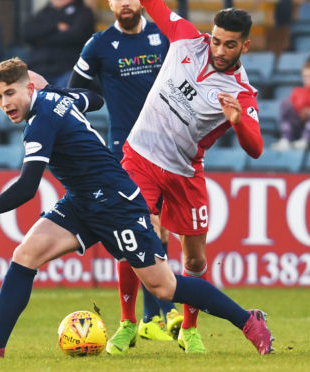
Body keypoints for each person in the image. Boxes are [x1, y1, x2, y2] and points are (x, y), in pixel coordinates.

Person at [0, 57, 273, 359]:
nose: (5, 104)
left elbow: (27, 188)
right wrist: (54, 91)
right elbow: (95, 100)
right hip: (82, 199)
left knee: (163, 286)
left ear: (29, 87)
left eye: (10, 93)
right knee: (25, 255)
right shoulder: (58, 99)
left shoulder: (40, 120)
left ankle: (249, 321)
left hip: (117, 203)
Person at [109, 0, 265, 354]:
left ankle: (189, 329)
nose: (220, 49)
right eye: (216, 40)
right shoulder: (184, 38)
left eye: (230, 44)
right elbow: (153, 5)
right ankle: (128, 323)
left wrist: (239, 122)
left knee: (194, 260)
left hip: (184, 173)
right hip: (141, 157)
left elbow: (255, 148)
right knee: (130, 238)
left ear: (245, 46)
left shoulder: (241, 92)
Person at [68, 0, 181, 345]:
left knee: (155, 234)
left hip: (166, 150)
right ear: (110, 4)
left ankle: (146, 319)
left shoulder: (164, 37)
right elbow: (76, 93)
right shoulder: (98, 45)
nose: (125, 3)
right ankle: (159, 314)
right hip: (126, 154)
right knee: (142, 228)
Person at [23, 0, 95, 87]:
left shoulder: (83, 13)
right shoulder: (45, 12)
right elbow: (27, 33)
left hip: (67, 69)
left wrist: (41, 38)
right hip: (38, 67)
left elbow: (74, 36)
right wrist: (55, 26)